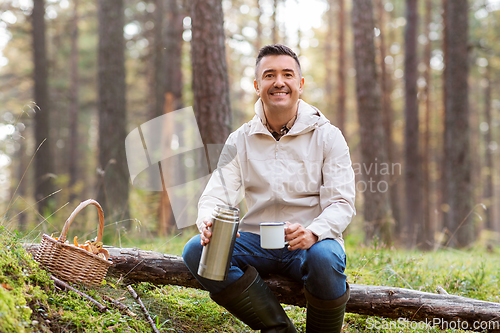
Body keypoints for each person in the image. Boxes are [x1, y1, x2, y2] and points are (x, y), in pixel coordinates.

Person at [183, 44, 355, 333]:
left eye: (287, 74)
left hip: (310, 244)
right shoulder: (240, 139)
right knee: (195, 251)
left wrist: (314, 232)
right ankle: (279, 329)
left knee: (325, 258)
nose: (279, 82)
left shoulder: (328, 136)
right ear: (256, 85)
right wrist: (208, 219)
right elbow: (217, 192)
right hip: (257, 243)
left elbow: (342, 202)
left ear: (300, 84)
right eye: (269, 75)